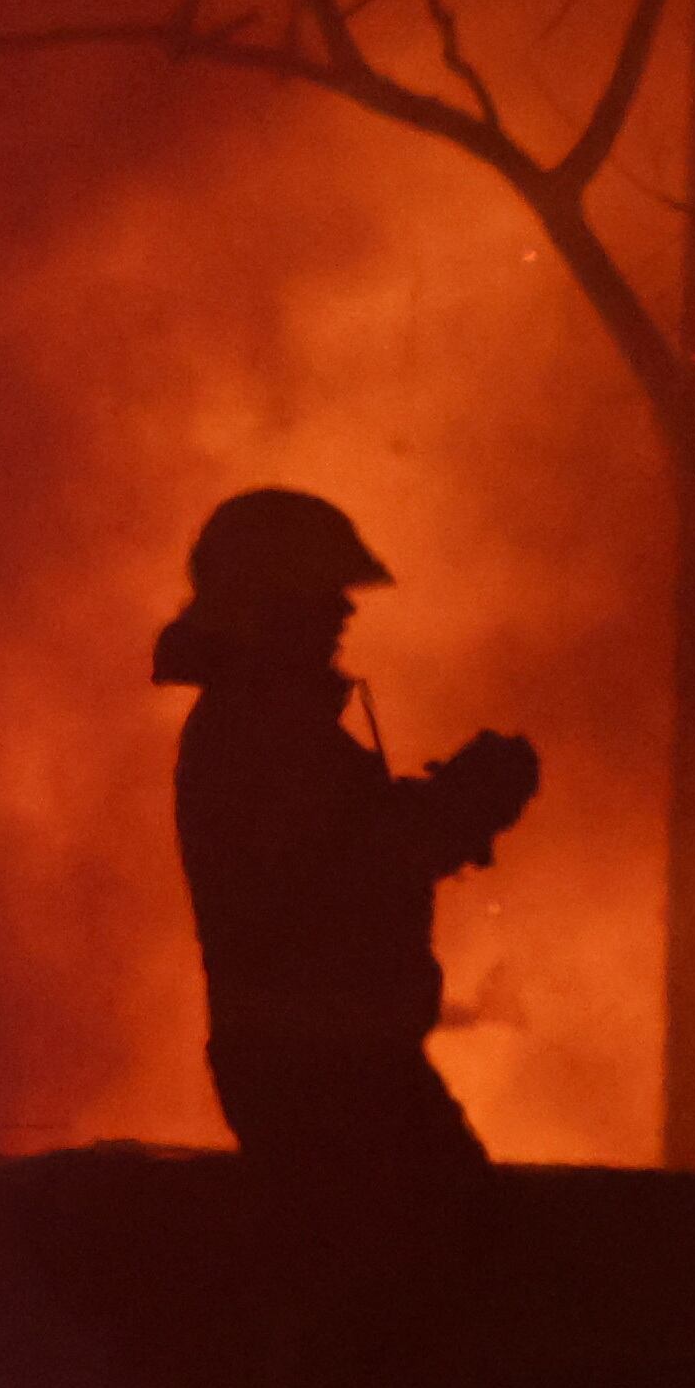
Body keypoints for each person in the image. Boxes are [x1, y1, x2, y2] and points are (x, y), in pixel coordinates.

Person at [150, 488, 538, 1176]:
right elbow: (348, 873)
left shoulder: (270, 729)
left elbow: (349, 849)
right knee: (454, 1258)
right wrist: (461, 804)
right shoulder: (257, 733)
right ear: (263, 604)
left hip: (328, 1066)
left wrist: (450, 809)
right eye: (320, 592)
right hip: (323, 1075)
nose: (343, 609)